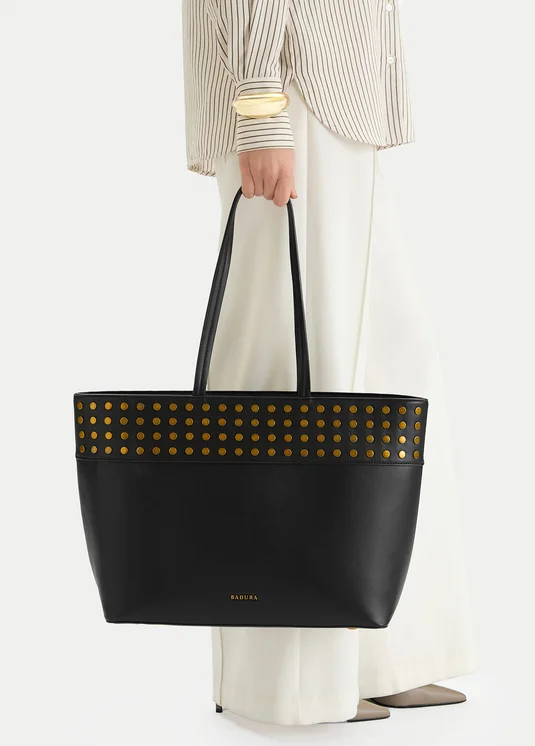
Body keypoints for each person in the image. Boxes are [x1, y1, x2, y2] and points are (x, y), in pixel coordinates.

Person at [181, 0, 476, 725]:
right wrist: (260, 108)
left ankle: (380, 653)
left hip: (336, 93)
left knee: (389, 369)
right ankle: (286, 681)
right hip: (291, 89)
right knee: (291, 375)